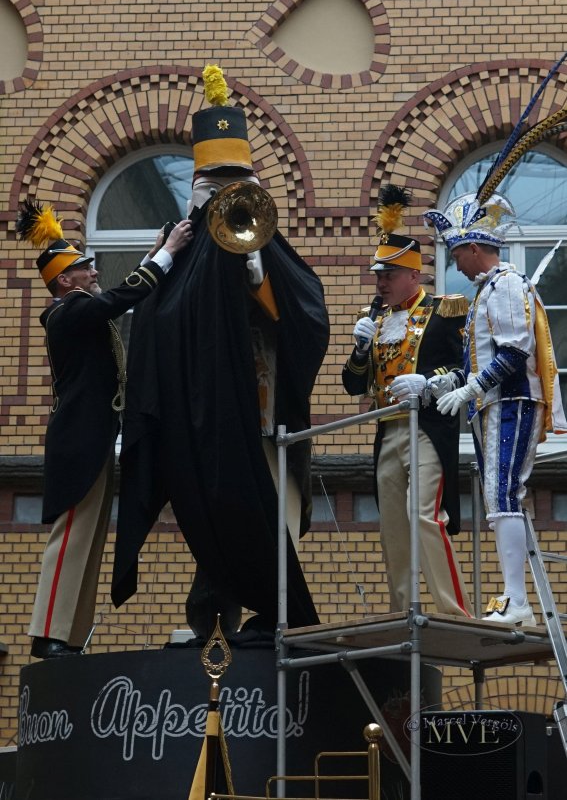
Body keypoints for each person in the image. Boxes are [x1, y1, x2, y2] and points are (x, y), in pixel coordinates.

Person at [111, 65, 329, 638]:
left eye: (237, 181)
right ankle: (213, 614)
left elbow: (305, 314)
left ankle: (275, 610)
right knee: (213, 518)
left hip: (260, 411)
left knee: (267, 507)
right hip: (203, 415)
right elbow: (154, 320)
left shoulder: (269, 246)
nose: (226, 195)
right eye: (214, 185)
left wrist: (256, 270)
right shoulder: (178, 246)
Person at [16, 198, 192, 658]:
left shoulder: (78, 310)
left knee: (89, 539)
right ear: (64, 281)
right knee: (72, 536)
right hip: (80, 441)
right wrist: (166, 254)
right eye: (84, 268)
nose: (93, 272)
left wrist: (153, 254)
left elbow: (117, 296)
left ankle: (68, 636)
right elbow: (119, 298)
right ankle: (48, 633)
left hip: (91, 438)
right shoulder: (69, 312)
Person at [424, 191, 567, 626]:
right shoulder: (490, 288)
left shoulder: (504, 284)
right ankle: (513, 596)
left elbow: (513, 353)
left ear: (473, 247)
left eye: (456, 255)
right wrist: (455, 380)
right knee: (499, 495)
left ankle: (516, 600)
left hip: (511, 401)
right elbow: (483, 356)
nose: (456, 265)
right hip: (496, 403)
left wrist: (470, 388)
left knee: (502, 493)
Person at [342, 186, 473, 617]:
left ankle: (454, 613)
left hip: (426, 430)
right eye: (379, 275)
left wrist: (429, 383)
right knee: (393, 529)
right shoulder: (375, 321)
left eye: (389, 274)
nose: (381, 283)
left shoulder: (443, 311)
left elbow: (467, 369)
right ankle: (402, 614)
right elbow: (353, 385)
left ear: (413, 275)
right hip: (388, 431)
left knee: (425, 516)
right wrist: (360, 350)